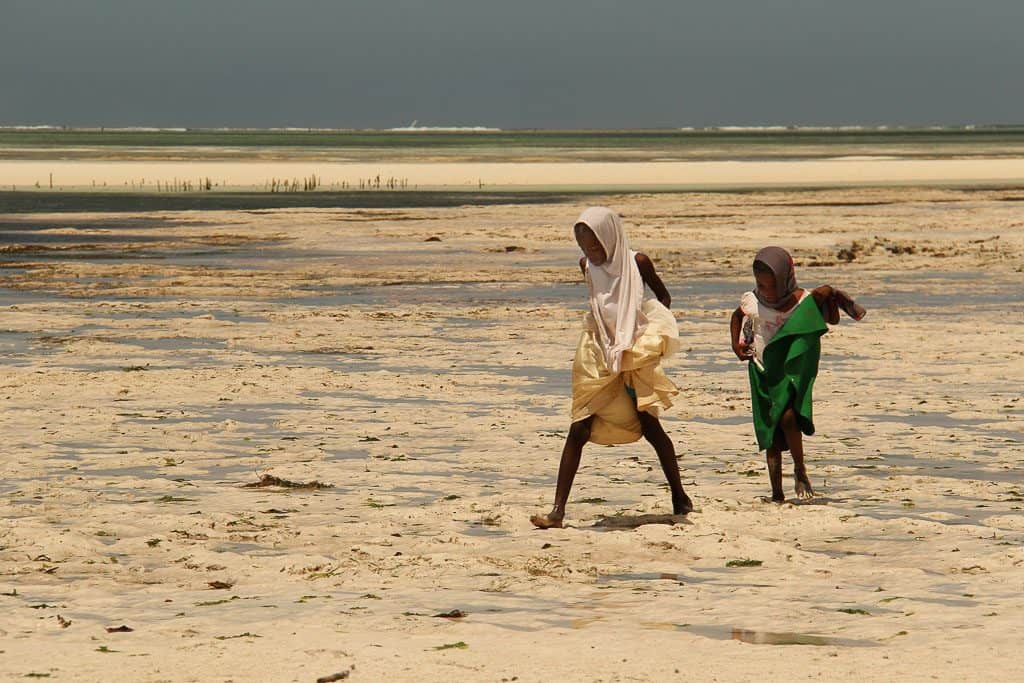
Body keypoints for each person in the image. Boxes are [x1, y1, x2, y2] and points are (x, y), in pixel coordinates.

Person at [530, 207, 693, 529]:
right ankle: (558, 512)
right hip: (597, 350)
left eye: (595, 245)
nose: (590, 252)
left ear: (610, 237)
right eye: (583, 246)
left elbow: (663, 297)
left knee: (649, 425)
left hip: (633, 349)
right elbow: (600, 303)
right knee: (579, 427)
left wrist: (645, 332)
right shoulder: (586, 266)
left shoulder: (637, 262)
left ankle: (679, 495)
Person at [729, 246, 866, 503]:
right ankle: (777, 493)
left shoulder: (804, 301)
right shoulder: (752, 300)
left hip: (790, 371)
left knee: (789, 418)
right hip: (761, 370)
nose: (767, 291)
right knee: (769, 430)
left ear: (786, 279)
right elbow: (737, 317)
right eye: (762, 285)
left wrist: (830, 294)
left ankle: (800, 469)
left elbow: (829, 310)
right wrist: (736, 345)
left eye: (772, 286)